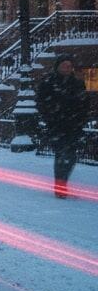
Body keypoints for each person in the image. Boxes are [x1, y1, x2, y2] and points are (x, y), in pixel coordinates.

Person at [37, 58, 90, 198]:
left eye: (69, 66)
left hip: (73, 126)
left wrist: (81, 119)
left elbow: (85, 103)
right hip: (57, 126)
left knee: (71, 157)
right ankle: (60, 186)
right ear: (58, 67)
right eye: (64, 65)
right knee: (61, 155)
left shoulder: (77, 83)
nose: (67, 68)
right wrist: (51, 117)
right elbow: (42, 103)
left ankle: (63, 182)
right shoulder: (49, 83)